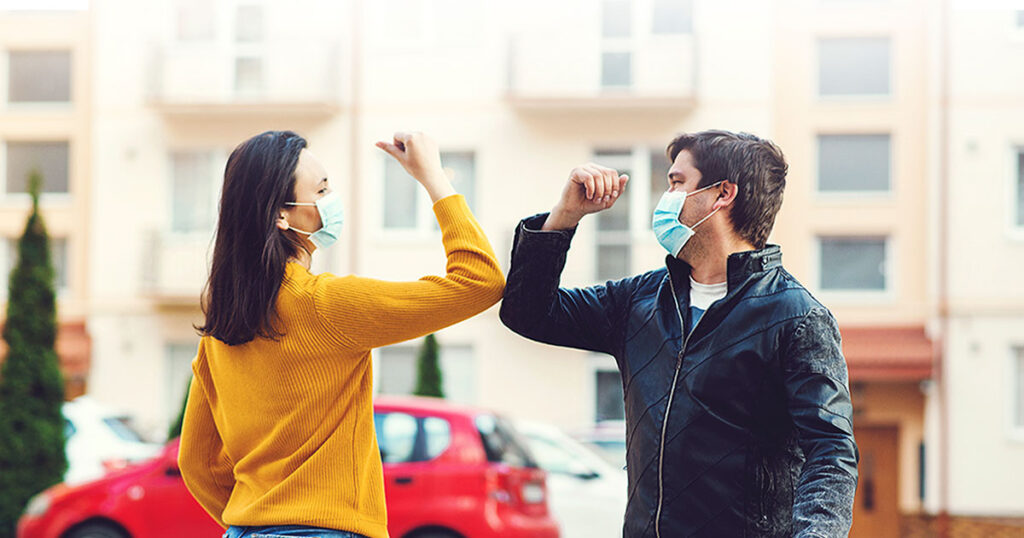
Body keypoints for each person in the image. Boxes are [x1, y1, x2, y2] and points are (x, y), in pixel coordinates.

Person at [499, 130, 858, 537]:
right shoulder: (638, 301)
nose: (664, 197)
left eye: (676, 183)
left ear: (722, 194)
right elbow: (527, 314)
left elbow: (831, 452)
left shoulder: (796, 317)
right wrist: (564, 217)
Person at [179, 130, 504, 538]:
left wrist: (259, 518)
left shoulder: (221, 325)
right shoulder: (326, 305)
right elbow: (480, 282)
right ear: (282, 215)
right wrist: (434, 178)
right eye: (321, 190)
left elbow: (197, 462)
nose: (332, 199)